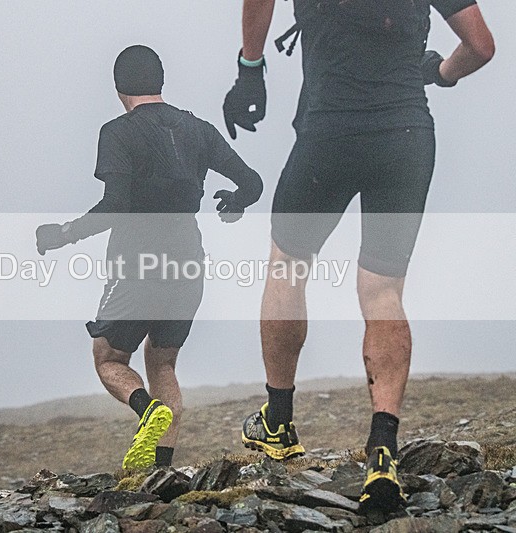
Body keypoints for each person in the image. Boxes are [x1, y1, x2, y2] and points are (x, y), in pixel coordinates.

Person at [223, 0, 494, 514]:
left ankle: (278, 420)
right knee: (383, 290)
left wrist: (250, 71)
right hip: (406, 136)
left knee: (287, 266)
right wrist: (440, 72)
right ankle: (383, 450)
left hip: (330, 132)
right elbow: (480, 46)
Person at [37, 45, 263, 470]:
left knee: (109, 358)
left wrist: (62, 235)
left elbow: (115, 206)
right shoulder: (198, 130)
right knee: (162, 362)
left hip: (137, 266)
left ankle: (146, 410)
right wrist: (235, 203)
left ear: (118, 88)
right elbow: (252, 183)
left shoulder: (118, 133)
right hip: (188, 264)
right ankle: (160, 470)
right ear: (160, 81)